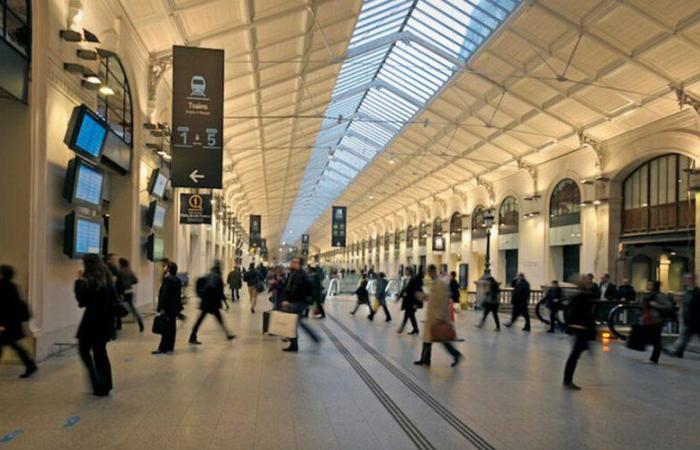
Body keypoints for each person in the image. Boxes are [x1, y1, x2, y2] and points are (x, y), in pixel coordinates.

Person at [74, 254, 117, 397]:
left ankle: (96, 382)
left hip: (92, 321)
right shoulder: (107, 279)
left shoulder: (90, 280)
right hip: (106, 322)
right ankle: (105, 385)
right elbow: (114, 299)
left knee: (84, 350)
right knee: (100, 352)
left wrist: (79, 281)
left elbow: (82, 300)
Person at [414, 265, 462, 367]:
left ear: (432, 271)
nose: (428, 274)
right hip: (433, 316)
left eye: (429, 272)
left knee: (441, 339)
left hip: (437, 317)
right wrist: (422, 297)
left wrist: (440, 317)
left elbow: (443, 301)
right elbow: (432, 298)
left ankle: (455, 354)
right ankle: (425, 359)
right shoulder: (436, 283)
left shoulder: (440, 284)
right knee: (428, 339)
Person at [0, 265, 37, 378]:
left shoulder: (3, 286)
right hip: (12, 323)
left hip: (6, 323)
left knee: (13, 345)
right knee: (14, 345)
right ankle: (30, 365)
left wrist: (2, 324)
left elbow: (4, 307)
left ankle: (30, 365)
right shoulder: (13, 286)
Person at [189, 262, 236, 345]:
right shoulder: (217, 278)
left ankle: (192, 336)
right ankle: (227, 334)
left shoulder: (209, 276)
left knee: (201, 320)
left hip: (206, 302)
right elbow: (220, 292)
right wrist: (225, 303)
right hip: (212, 304)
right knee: (217, 319)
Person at [563, 276, 596, 391]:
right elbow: (570, 312)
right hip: (581, 329)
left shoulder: (585, 295)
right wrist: (573, 324)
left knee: (575, 354)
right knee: (574, 355)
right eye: (587, 281)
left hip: (583, 329)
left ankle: (567, 380)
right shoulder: (580, 297)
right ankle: (567, 380)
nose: (590, 283)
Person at [282, 257, 320, 352]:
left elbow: (295, 289)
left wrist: (288, 300)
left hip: (297, 302)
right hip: (298, 301)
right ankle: (312, 337)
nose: (292, 263)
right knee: (297, 322)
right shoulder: (298, 273)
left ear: (298, 264)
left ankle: (294, 345)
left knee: (293, 323)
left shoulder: (299, 275)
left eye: (294, 262)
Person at [640, 281, 675, 364]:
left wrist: (655, 305)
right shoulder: (649, 295)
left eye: (650, 284)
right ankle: (654, 354)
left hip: (656, 320)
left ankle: (654, 358)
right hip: (648, 319)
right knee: (653, 338)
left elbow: (668, 306)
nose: (648, 286)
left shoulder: (659, 295)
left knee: (656, 339)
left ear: (654, 286)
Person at [154, 262, 183, 354]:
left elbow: (164, 295)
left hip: (167, 307)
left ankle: (163, 348)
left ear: (169, 269)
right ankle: (170, 346)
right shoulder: (178, 280)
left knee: (165, 328)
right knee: (172, 327)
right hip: (174, 307)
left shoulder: (167, 280)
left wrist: (161, 307)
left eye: (166, 267)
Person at [669, 273, 700, 358]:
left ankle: (678, 352)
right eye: (685, 279)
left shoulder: (696, 292)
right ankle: (679, 352)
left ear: (693, 280)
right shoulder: (687, 292)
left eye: (687, 279)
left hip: (695, 320)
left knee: (686, 336)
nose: (685, 281)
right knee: (686, 336)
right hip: (689, 319)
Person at [117, 258, 144, 332]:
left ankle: (118, 325)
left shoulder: (120, 271)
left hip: (123, 291)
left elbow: (118, 283)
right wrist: (129, 283)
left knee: (118, 306)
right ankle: (139, 319)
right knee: (132, 307)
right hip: (130, 291)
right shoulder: (130, 271)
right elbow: (136, 280)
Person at [397, 267, 422, 335]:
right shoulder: (405, 280)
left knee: (407, 314)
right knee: (411, 315)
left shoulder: (414, 280)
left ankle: (402, 327)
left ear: (409, 271)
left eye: (406, 271)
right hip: (407, 301)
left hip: (412, 301)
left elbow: (417, 291)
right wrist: (398, 297)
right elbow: (403, 290)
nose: (405, 272)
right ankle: (416, 329)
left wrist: (417, 303)